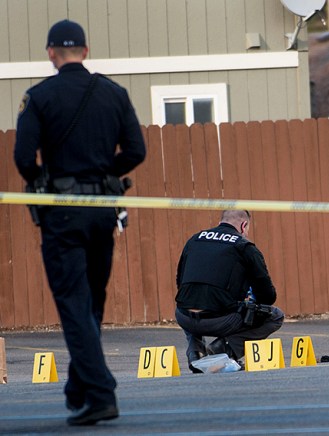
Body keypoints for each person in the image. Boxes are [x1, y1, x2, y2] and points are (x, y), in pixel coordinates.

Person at [13, 20, 146, 426]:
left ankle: (101, 393)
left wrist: (47, 181)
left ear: (51, 53)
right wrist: (104, 174)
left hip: (63, 212)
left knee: (74, 303)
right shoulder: (114, 93)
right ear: (85, 51)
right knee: (91, 304)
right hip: (103, 209)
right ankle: (80, 389)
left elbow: (23, 159)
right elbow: (136, 151)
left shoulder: (39, 97)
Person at [175, 210, 284, 373]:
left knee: (191, 298)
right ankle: (222, 350)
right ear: (244, 225)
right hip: (221, 321)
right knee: (275, 316)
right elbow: (268, 296)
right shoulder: (244, 246)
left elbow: (180, 281)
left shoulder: (194, 240)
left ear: (221, 222)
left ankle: (195, 352)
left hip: (184, 317)